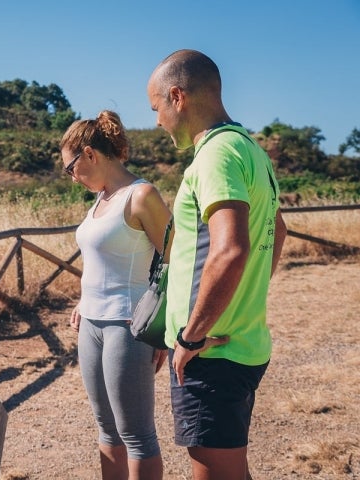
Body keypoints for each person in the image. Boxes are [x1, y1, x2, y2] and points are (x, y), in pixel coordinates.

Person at [146, 49, 288, 480]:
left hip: (211, 354)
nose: (156, 121)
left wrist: (191, 337)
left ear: (177, 97)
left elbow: (230, 249)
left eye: (156, 109)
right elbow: (278, 232)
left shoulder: (214, 155)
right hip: (241, 343)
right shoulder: (251, 150)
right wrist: (243, 298)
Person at [60, 110, 172, 480]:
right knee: (106, 429)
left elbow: (175, 262)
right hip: (90, 323)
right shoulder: (100, 199)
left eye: (71, 167)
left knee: (137, 435)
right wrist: (82, 301)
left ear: (90, 154)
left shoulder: (141, 196)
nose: (71, 176)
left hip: (128, 326)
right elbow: (102, 259)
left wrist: (162, 328)